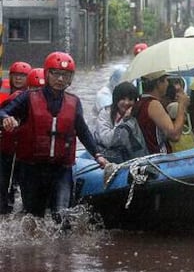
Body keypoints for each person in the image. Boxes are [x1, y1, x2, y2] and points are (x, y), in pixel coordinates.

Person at [0, 51, 107, 221]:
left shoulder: (74, 102)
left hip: (61, 169)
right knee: (35, 217)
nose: (60, 79)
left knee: (62, 216)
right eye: (55, 74)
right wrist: (7, 118)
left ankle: (64, 247)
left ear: (70, 78)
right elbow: (3, 111)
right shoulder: (28, 97)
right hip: (31, 168)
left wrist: (98, 155)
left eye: (65, 75)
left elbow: (83, 131)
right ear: (46, 74)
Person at [131, 70, 190, 154]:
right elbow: (174, 135)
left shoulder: (140, 102)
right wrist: (182, 105)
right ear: (158, 83)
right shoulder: (153, 104)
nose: (167, 84)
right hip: (157, 158)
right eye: (166, 80)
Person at [0, 62, 31, 214]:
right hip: (5, 144)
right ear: (10, 76)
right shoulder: (4, 90)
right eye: (15, 75)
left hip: (22, 150)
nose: (18, 79)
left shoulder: (32, 96)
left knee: (18, 182)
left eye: (22, 76)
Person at [94, 81, 148, 163]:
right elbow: (107, 140)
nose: (126, 103)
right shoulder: (106, 113)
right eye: (123, 99)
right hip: (107, 157)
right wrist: (123, 121)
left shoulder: (135, 117)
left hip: (130, 158)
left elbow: (140, 146)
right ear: (116, 99)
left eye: (130, 99)